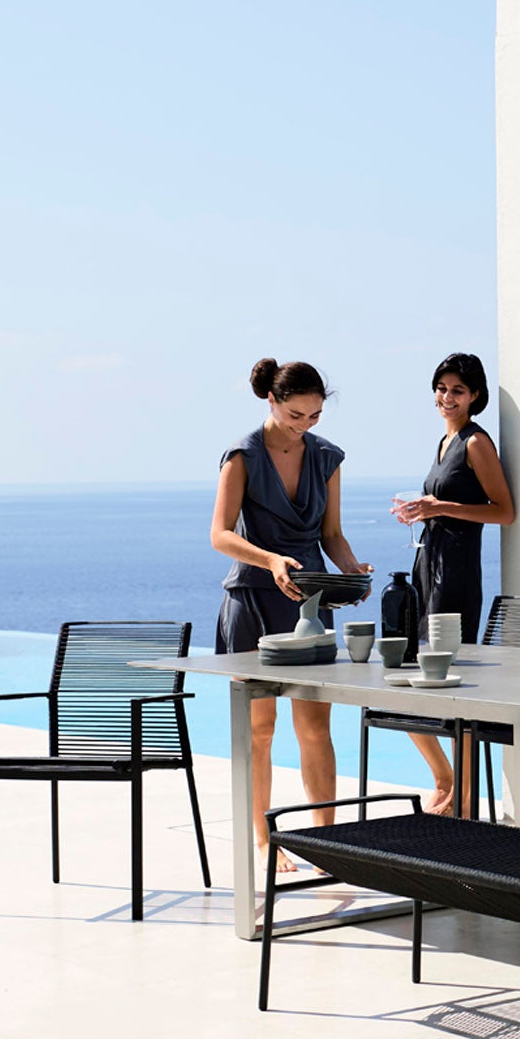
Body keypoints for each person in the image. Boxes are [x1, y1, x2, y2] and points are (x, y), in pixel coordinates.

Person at [211, 357, 371, 871]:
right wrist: (271, 558)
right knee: (259, 730)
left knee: (315, 727)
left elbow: (331, 536)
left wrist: (350, 570)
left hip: (309, 604)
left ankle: (326, 845)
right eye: (295, 415)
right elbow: (220, 534)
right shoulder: (242, 455)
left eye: (315, 416)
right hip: (253, 601)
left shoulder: (328, 457)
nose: (304, 425)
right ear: (272, 401)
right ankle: (263, 838)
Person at [392, 352, 515, 813]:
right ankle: (446, 777)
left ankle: (462, 794)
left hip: (457, 574)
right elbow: (442, 501)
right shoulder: (445, 441)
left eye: (457, 390)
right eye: (442, 388)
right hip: (430, 564)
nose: (447, 397)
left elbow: (504, 511)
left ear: (475, 395)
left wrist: (440, 508)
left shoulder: (476, 443)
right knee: (404, 678)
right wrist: (418, 509)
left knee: (446, 683)